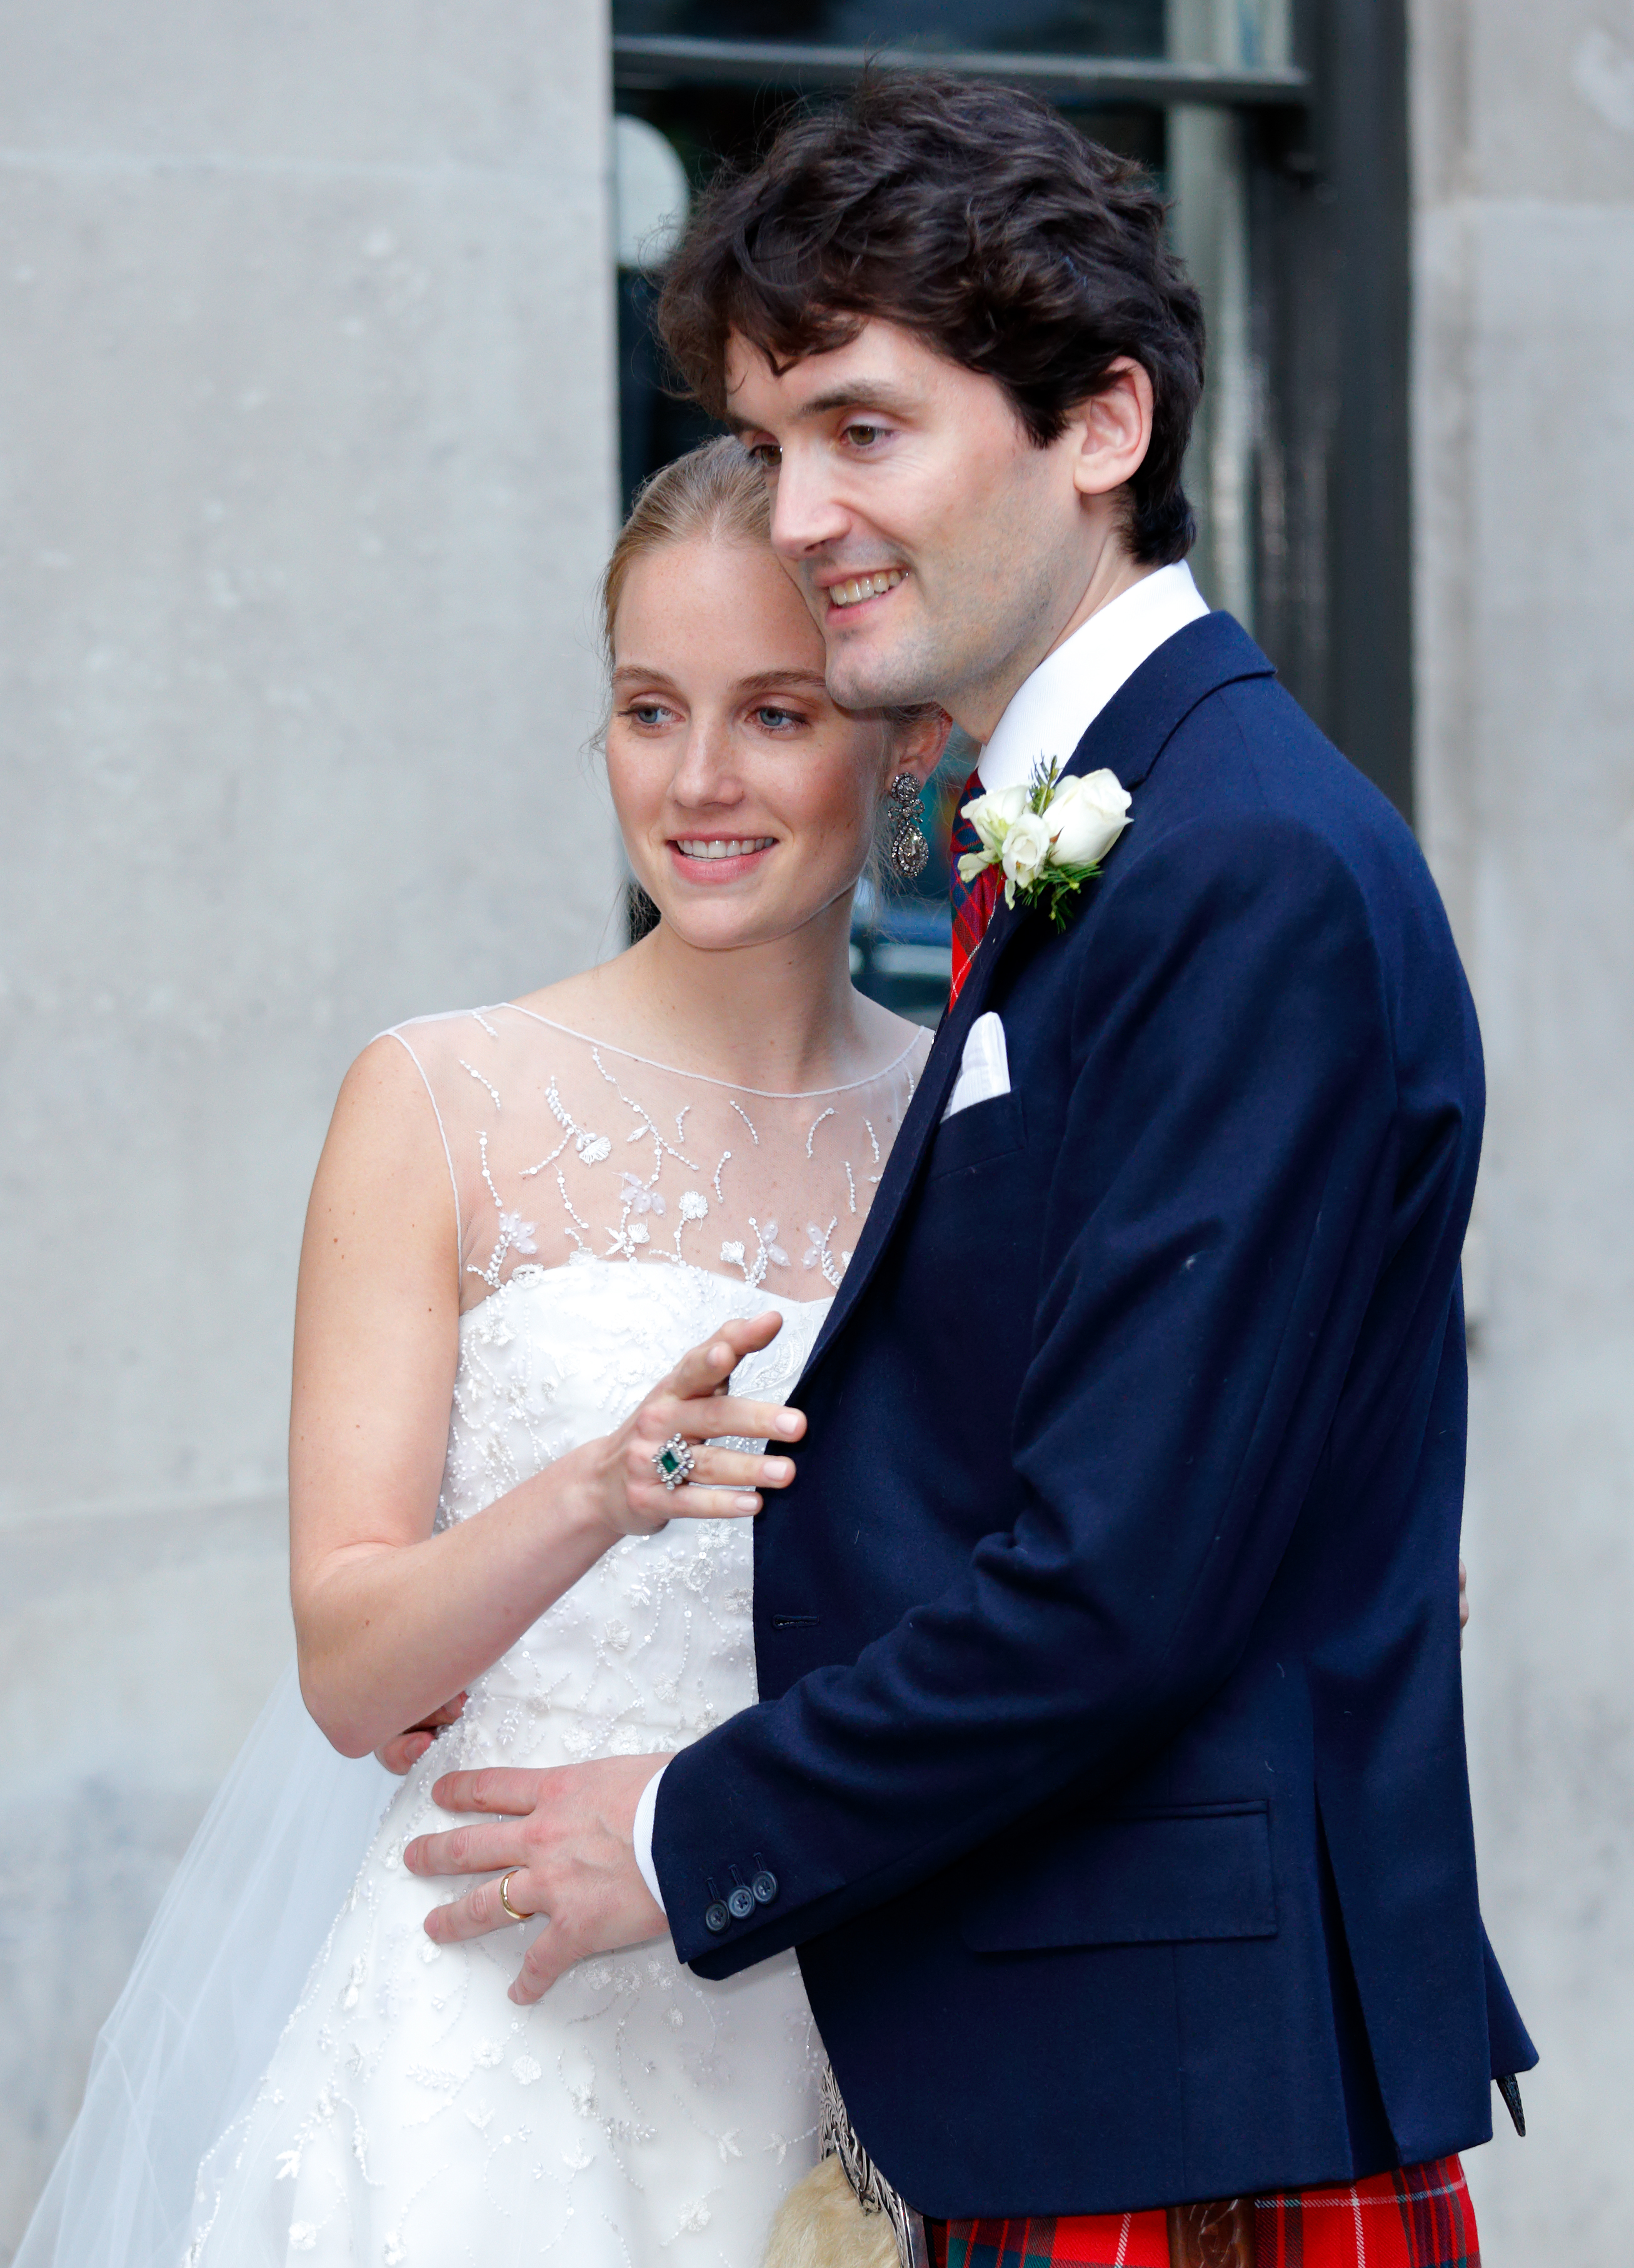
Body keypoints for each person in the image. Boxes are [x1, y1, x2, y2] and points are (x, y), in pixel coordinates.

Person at [411, 76, 1536, 2268]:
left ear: (1101, 427)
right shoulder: (1118, 829)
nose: (803, 506)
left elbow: (1119, 1579)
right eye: (774, 433)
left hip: (1185, 2106)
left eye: (864, 427)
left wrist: (675, 1821)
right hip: (1078, 2064)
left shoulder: (1245, 863)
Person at [16, 437, 948, 2267]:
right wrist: (598, 1491)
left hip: (845, 2050)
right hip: (486, 2063)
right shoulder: (439, 1096)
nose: (696, 781)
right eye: (646, 708)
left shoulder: (962, 1126)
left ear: (898, 744)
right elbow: (352, 1674)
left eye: (771, 713)